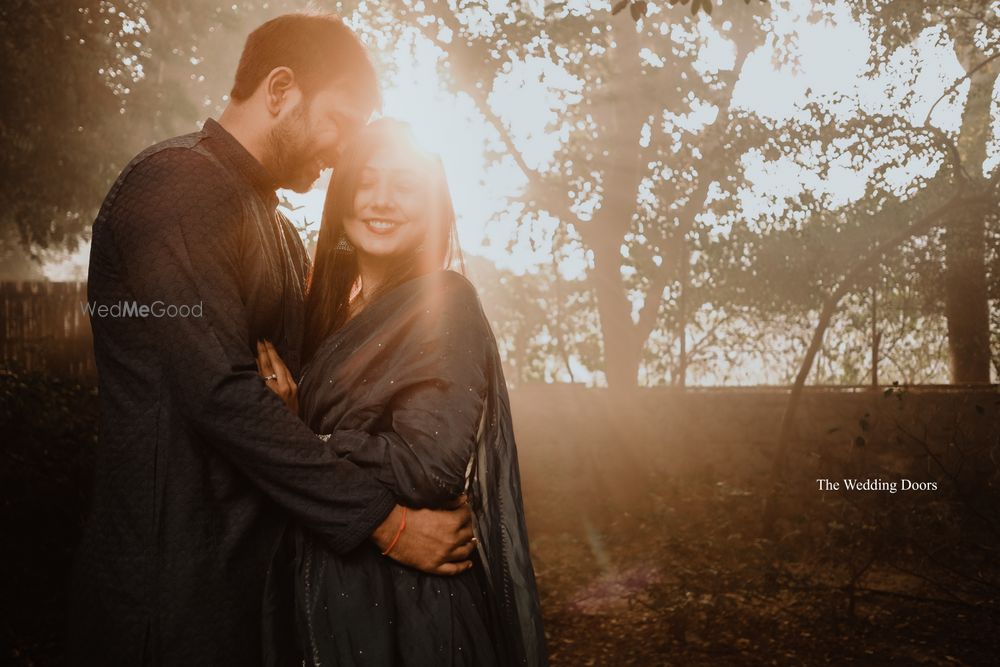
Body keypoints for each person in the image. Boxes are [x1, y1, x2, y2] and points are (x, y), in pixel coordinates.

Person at [71, 15, 475, 667]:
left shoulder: (273, 224)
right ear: (281, 89)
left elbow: (309, 389)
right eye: (340, 121)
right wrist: (390, 524)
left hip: (251, 584)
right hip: (169, 595)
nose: (344, 152)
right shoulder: (176, 187)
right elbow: (222, 394)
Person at [258, 118, 548, 666]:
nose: (382, 200)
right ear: (343, 193)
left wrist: (301, 439)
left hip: (408, 605)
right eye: (366, 181)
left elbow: (430, 464)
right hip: (328, 581)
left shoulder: (445, 304)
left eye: (405, 186)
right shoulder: (328, 312)